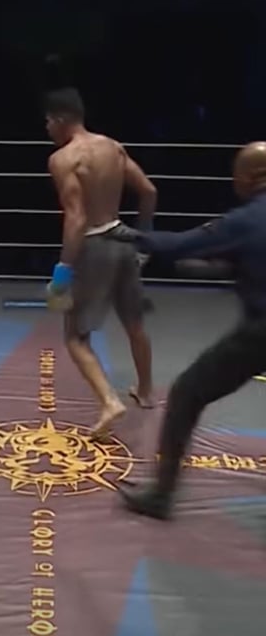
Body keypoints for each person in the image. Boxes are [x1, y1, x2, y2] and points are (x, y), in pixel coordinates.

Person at [111, 141, 266, 519]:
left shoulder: (249, 218)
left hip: (261, 333)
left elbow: (187, 243)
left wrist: (129, 234)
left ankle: (160, 496)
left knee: (186, 392)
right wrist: (207, 268)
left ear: (250, 177)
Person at [43, 87, 158, 439]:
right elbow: (149, 191)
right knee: (134, 322)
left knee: (75, 337)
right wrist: (144, 241)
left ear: (60, 119)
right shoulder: (113, 147)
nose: (47, 128)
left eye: (48, 122)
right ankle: (146, 391)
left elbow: (77, 218)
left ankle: (109, 402)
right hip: (123, 239)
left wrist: (63, 270)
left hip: (93, 247)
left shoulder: (63, 159)